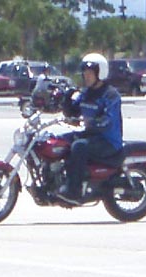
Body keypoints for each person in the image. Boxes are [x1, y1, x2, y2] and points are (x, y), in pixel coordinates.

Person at [59, 53, 123, 204]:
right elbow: (74, 112)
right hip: (91, 135)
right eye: (85, 73)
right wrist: (66, 99)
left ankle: (74, 191)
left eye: (89, 73)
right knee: (61, 141)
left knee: (79, 146)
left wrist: (91, 122)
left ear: (100, 73)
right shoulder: (86, 93)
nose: (86, 76)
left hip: (108, 141)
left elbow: (107, 121)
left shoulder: (111, 95)